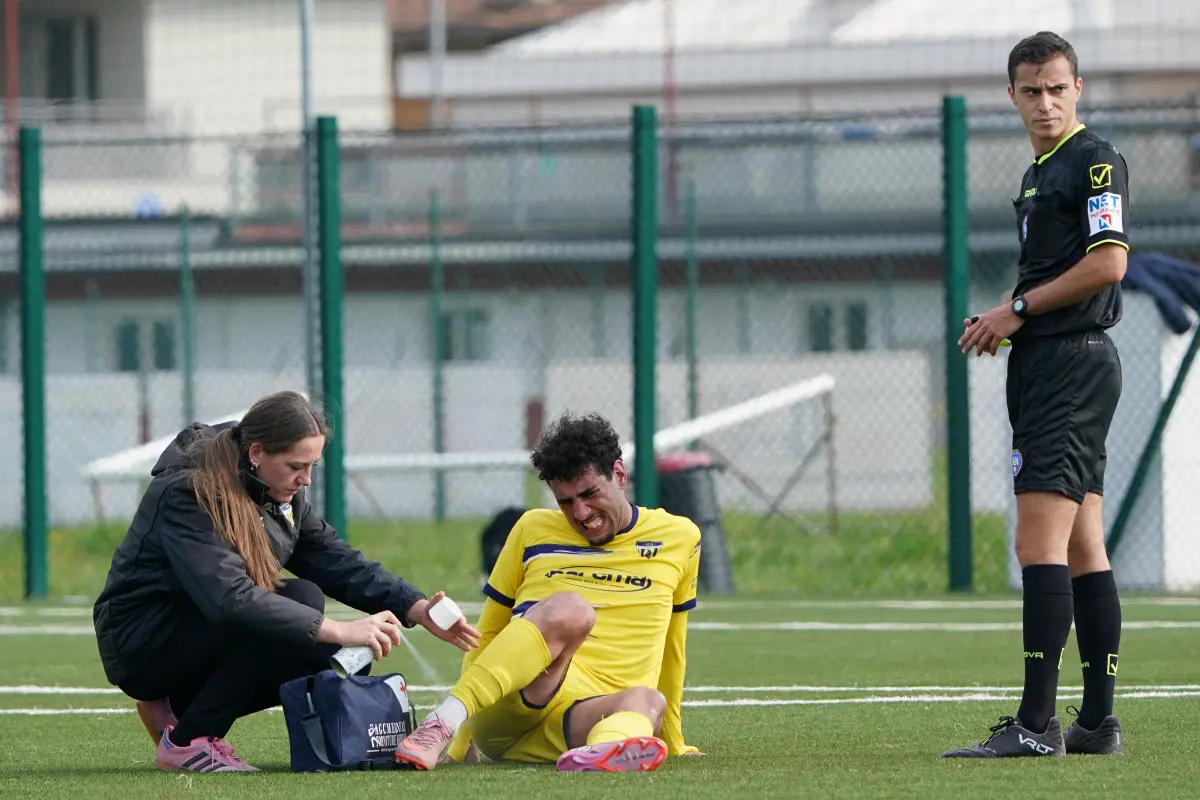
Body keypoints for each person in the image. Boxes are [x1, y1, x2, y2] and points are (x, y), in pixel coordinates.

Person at [92, 390, 481, 773]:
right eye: (297, 466)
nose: (306, 479)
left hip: (200, 632)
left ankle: (177, 708)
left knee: (337, 658)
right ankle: (187, 741)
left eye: (312, 466)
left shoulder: (275, 489)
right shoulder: (189, 491)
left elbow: (335, 559)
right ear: (257, 453)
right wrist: (338, 628)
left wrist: (415, 607)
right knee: (304, 601)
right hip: (143, 643)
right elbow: (229, 598)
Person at [948, 31, 1127, 758]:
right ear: (1013, 96)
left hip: (1069, 367)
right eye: (1032, 90)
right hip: (1053, 361)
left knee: (1036, 543)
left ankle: (1034, 724)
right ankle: (1096, 724)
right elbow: (1054, 275)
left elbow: (1108, 263)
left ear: (1078, 88)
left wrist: (1017, 310)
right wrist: (1007, 317)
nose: (1046, 102)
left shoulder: (1095, 160)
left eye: (1057, 88)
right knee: (1083, 543)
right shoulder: (1036, 174)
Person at [391, 411, 704, 772]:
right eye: (565, 501)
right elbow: (487, 634)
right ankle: (441, 723)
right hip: (512, 708)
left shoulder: (680, 537)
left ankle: (602, 752)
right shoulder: (532, 528)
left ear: (619, 474)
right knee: (573, 609)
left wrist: (674, 743)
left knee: (648, 701)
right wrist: (462, 744)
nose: (581, 512)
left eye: (589, 494)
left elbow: (673, 647)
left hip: (581, 721)